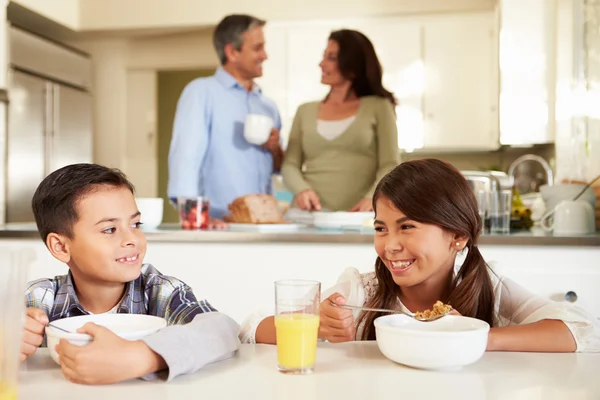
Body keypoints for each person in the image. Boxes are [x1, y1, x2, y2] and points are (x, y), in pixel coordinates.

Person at [245, 159, 600, 352]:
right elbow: (250, 330)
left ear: (458, 236)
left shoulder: (487, 286)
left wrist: (474, 338)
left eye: (408, 227)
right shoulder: (360, 293)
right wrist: (317, 325)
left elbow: (582, 330)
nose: (391, 245)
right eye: (381, 228)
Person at [21, 163, 240, 384]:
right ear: (61, 247)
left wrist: (143, 356)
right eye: (109, 229)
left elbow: (223, 331)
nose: (132, 239)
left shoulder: (160, 292)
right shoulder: (37, 299)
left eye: (136, 224)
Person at [167, 14, 283, 220]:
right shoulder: (202, 92)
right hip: (217, 222)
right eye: (258, 48)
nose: (265, 55)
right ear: (232, 52)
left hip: (262, 222)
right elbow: (185, 159)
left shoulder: (268, 106)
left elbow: (279, 168)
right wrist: (196, 218)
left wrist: (275, 150)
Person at [281, 29, 399, 213]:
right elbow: (290, 165)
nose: (321, 64)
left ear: (352, 67)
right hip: (308, 215)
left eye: (331, 58)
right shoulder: (305, 110)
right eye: (324, 56)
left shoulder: (379, 107)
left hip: (358, 216)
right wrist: (301, 190)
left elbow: (390, 164)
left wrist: (373, 197)